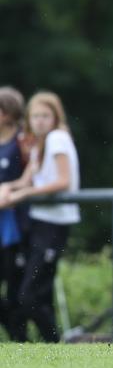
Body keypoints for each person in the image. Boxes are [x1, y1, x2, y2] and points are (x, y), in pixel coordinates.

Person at [0, 91, 79, 342]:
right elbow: (24, 181)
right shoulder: (38, 144)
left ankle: (55, 343)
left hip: (54, 223)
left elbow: (63, 181)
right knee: (34, 294)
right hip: (39, 221)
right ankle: (50, 345)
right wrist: (8, 188)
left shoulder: (57, 138)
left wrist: (23, 195)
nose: (40, 121)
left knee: (28, 295)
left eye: (45, 116)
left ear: (56, 118)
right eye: (35, 116)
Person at [0, 87, 27, 341]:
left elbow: (34, 178)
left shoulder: (22, 142)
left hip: (15, 225)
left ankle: (21, 339)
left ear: (7, 114)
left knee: (16, 289)